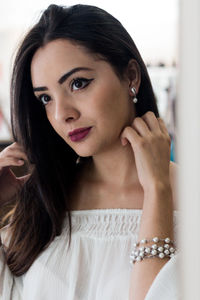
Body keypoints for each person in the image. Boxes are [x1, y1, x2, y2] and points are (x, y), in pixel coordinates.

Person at [0, 4, 180, 300]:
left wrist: (157, 191)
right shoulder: (43, 201)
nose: (62, 114)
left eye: (78, 83)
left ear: (131, 76)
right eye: (45, 98)